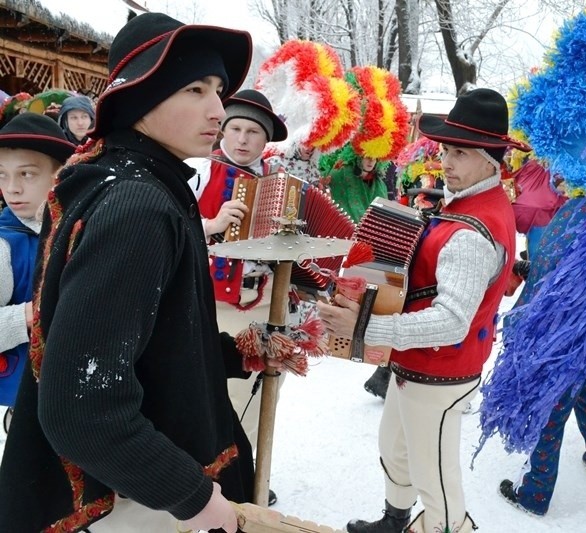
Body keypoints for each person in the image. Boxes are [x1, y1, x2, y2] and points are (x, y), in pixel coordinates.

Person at [0, 12, 257, 533]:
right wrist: (192, 497)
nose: (217, 109)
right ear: (140, 94)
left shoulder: (135, 180)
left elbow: (139, 343)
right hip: (129, 502)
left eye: (219, 90)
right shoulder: (137, 204)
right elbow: (83, 409)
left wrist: (233, 355)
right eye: (194, 89)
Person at [318, 88, 529, 533]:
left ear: (491, 160)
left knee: (435, 477)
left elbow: (452, 321)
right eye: (446, 149)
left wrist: (366, 325)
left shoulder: (474, 229)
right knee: (394, 447)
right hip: (418, 361)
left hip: (441, 368)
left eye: (460, 153)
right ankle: (395, 521)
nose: (446, 162)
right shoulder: (470, 203)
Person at [0, 113, 74, 433]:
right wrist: (28, 315)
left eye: (27, 174)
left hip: (71, 390)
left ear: (60, 174)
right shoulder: (4, 245)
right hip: (16, 399)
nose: (12, 189)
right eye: (2, 175)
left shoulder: (76, 230)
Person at [187, 89, 288, 307]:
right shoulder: (198, 167)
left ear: (266, 140)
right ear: (223, 130)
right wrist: (211, 225)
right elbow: (169, 225)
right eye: (235, 129)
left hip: (264, 299)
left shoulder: (280, 183)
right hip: (204, 297)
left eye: (253, 131)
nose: (242, 139)